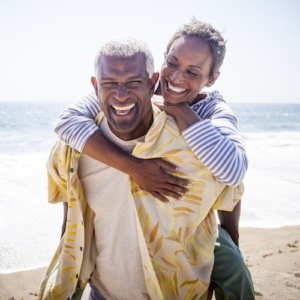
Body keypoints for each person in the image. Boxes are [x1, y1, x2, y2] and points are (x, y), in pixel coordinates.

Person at [53, 21, 254, 299]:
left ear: (211, 78)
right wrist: (134, 168)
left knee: (233, 265)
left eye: (193, 71)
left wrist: (180, 110)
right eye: (173, 62)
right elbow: (66, 122)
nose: (177, 78)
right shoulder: (141, 86)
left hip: (196, 219)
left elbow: (232, 171)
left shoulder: (211, 108)